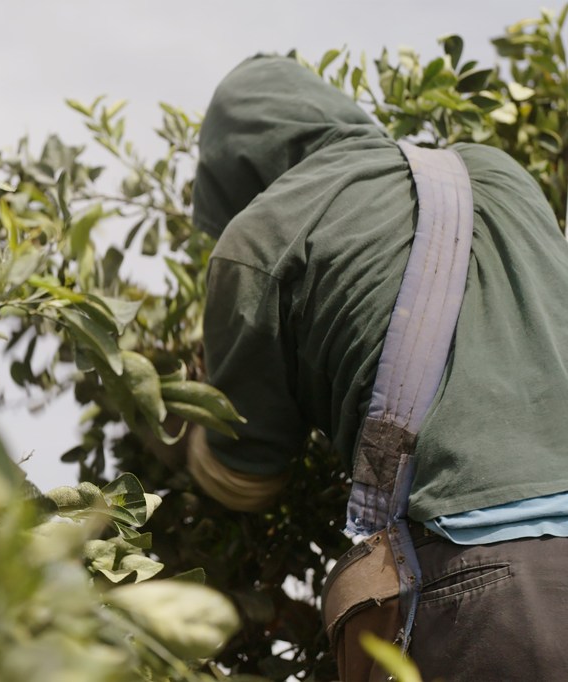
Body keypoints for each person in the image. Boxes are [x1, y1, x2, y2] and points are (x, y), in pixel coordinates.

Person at [186, 55, 568, 681]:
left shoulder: (261, 235)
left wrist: (174, 429)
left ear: (236, 173)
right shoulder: (500, 172)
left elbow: (243, 480)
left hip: (487, 600)